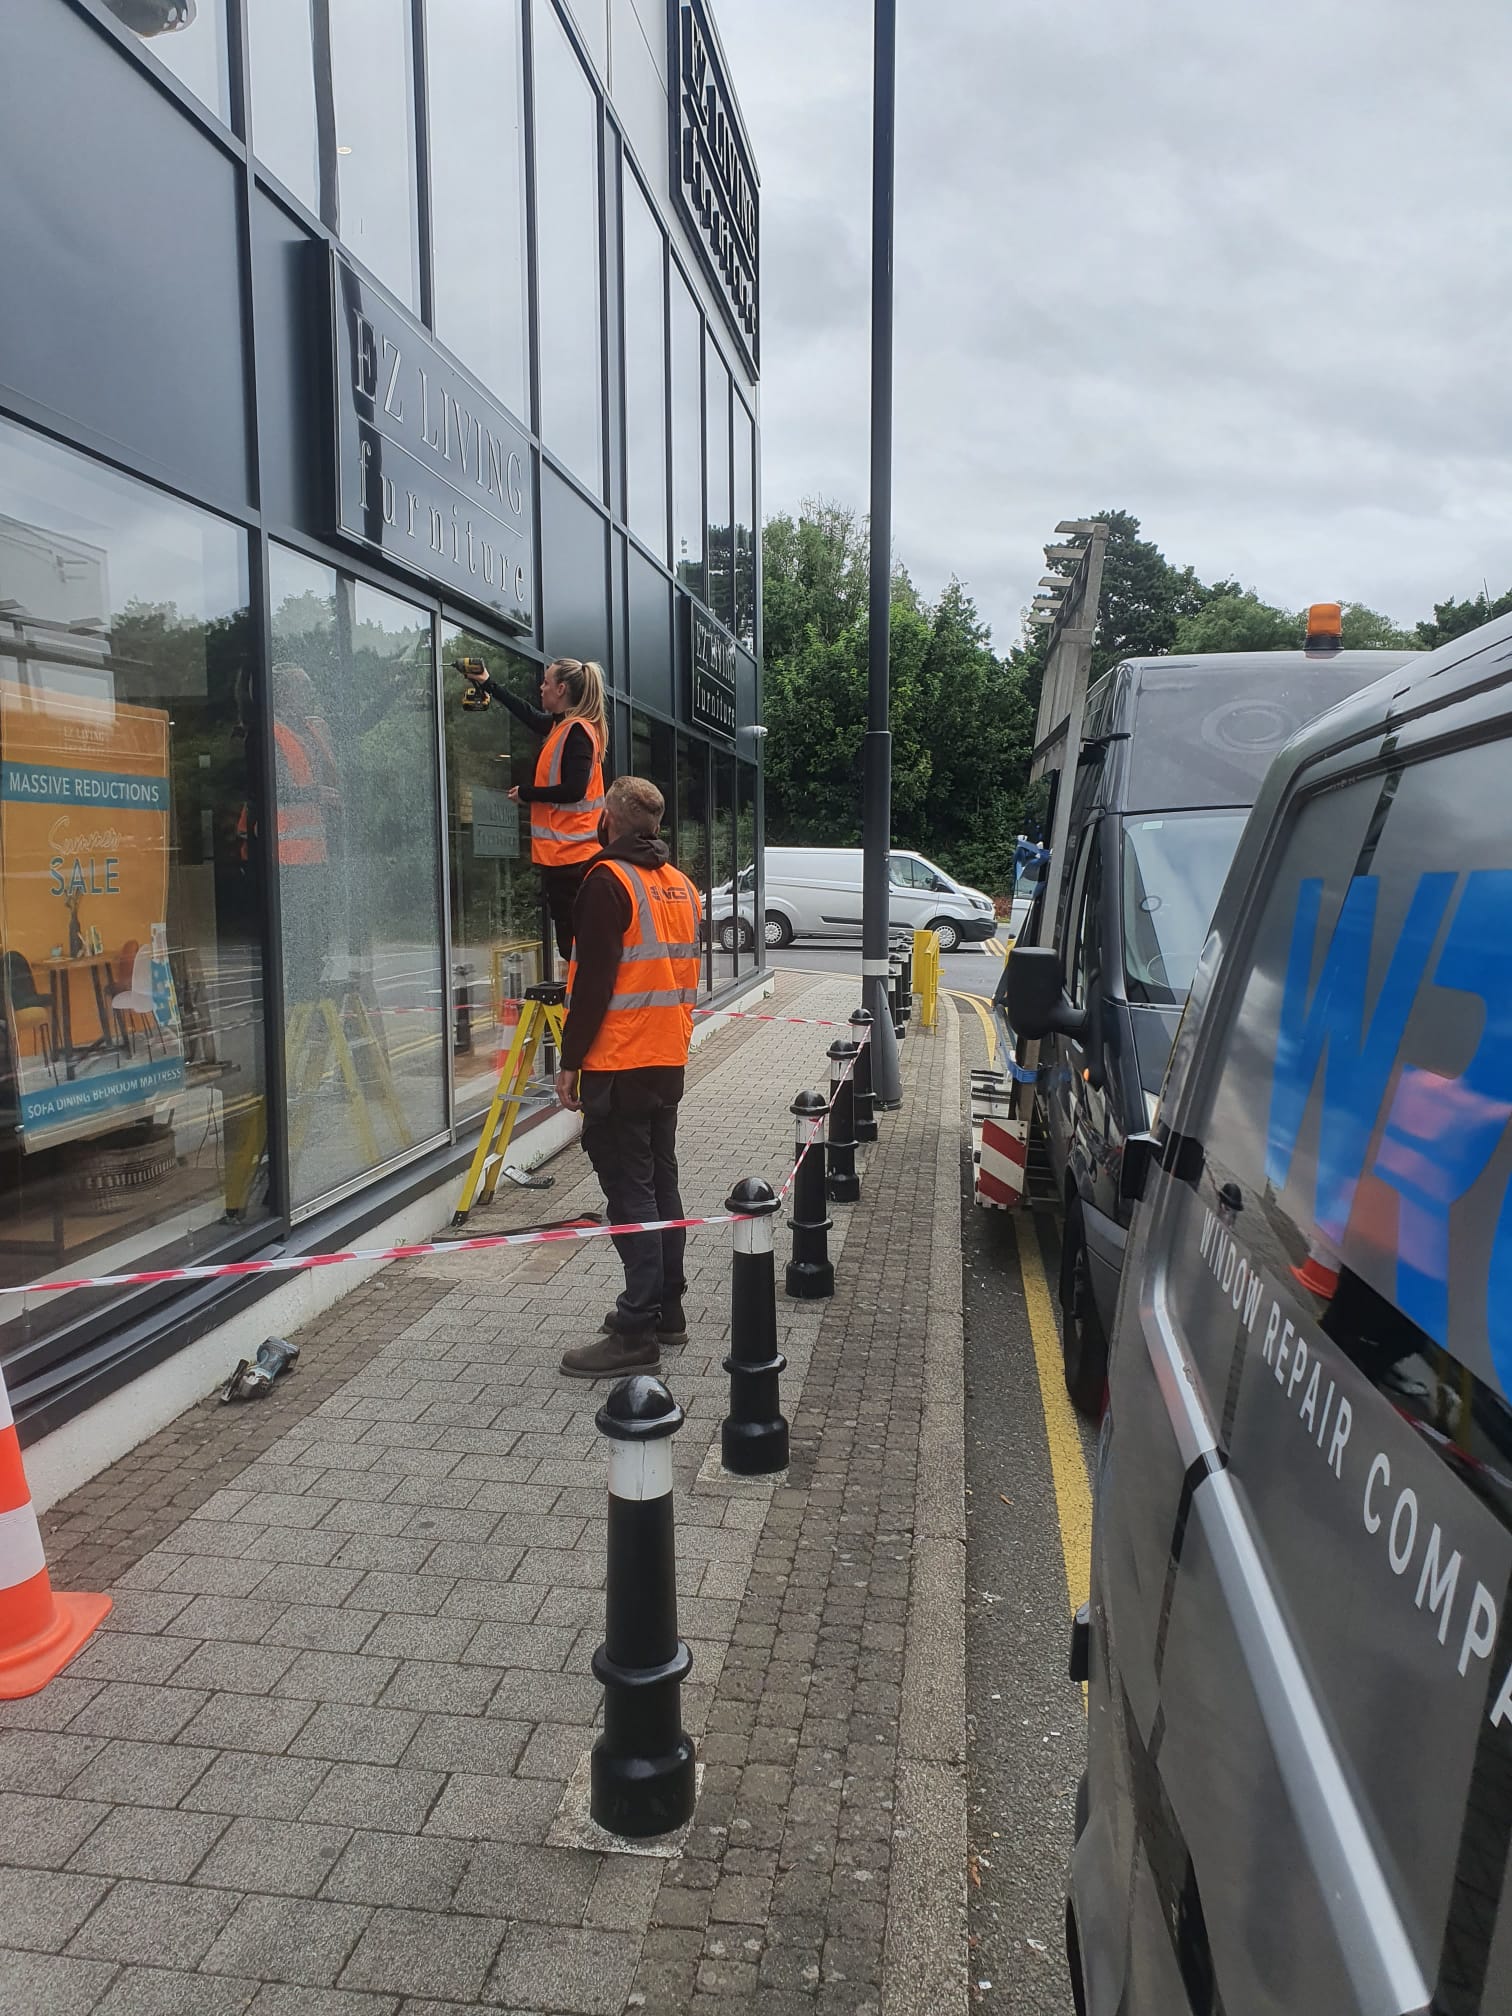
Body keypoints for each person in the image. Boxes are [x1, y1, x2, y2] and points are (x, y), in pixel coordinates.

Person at [553, 775, 703, 1380]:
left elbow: (592, 984)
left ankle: (637, 1327)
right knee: (660, 1182)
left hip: (618, 1062)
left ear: (609, 820)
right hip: (667, 1058)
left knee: (629, 1190)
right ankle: (667, 1309)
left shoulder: (606, 882)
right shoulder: (680, 887)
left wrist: (569, 1062)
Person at [461, 656, 607, 962]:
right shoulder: (562, 726)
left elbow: (574, 790)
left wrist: (528, 793)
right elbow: (527, 714)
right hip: (566, 857)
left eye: (546, 682)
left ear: (562, 688)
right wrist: (489, 684)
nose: (541, 688)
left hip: (573, 858)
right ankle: (581, 1002)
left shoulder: (577, 732)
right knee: (573, 946)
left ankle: (582, 1004)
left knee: (574, 947)